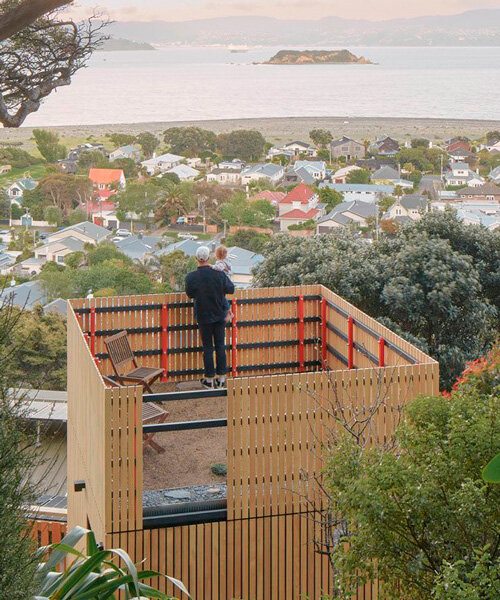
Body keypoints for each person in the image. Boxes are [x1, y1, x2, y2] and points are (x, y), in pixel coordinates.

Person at [185, 245, 235, 389]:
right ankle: (221, 378)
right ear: (208, 258)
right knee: (220, 345)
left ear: (197, 258)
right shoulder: (219, 274)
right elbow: (230, 289)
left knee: (207, 347)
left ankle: (208, 379)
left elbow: (190, 294)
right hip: (220, 314)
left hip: (203, 315)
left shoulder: (191, 277)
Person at [212, 245, 233, 323]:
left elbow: (219, 268)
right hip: (226, 281)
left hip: (223, 282)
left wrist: (211, 266)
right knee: (222, 297)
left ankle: (229, 312)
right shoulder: (226, 261)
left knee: (222, 297)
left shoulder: (221, 263)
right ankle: (228, 312)